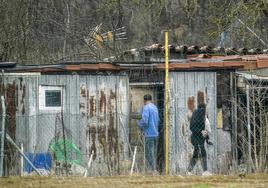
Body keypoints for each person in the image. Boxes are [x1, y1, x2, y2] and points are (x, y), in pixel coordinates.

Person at [187, 92, 212, 176]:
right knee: (202, 152)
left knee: (196, 153)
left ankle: (189, 171)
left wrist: (205, 136)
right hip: (198, 138)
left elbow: (192, 128)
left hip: (196, 138)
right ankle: (205, 171)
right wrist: (202, 133)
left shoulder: (195, 115)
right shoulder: (203, 117)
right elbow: (207, 130)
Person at [138, 94, 160, 172]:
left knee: (148, 154)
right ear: (151, 100)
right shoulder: (155, 108)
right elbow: (158, 120)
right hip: (156, 133)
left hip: (149, 134)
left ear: (144, 100)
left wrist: (139, 124)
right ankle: (154, 169)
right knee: (153, 153)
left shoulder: (146, 108)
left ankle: (154, 170)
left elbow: (145, 121)